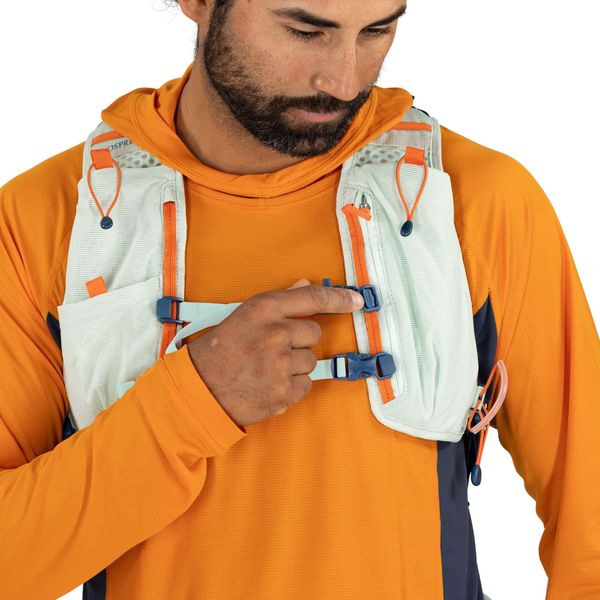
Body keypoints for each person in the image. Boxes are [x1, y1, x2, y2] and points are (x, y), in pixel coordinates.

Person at [0, 0, 598, 599]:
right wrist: (193, 401)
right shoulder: (44, 221)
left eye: (377, 30)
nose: (344, 81)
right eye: (305, 30)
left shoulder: (475, 200)